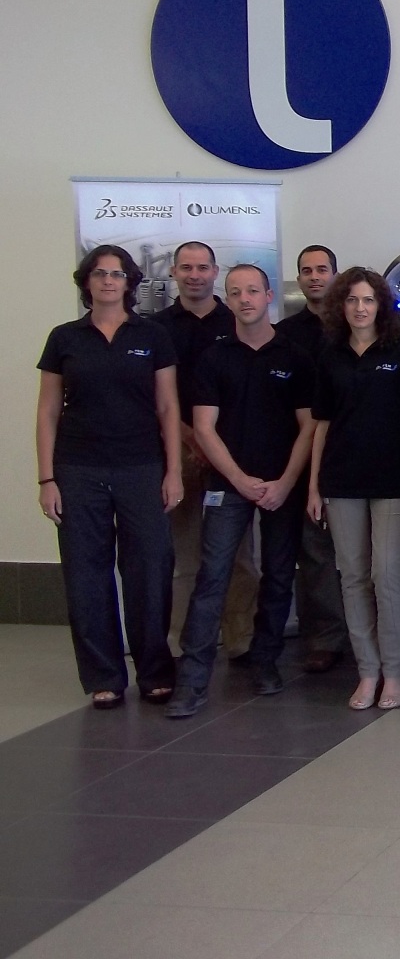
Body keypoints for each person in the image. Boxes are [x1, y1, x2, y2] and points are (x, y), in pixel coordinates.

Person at [36, 245, 181, 707]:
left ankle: (155, 671)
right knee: (86, 574)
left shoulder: (152, 335)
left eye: (116, 274)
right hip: (78, 470)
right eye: (99, 273)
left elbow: (168, 407)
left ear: (129, 282)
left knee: (150, 570)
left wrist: (174, 471)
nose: (107, 281)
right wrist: (46, 479)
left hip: (142, 467)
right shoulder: (65, 338)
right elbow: (47, 412)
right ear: (86, 282)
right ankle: (104, 676)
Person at [167, 265, 315, 717]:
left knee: (278, 575)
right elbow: (204, 428)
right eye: (235, 292)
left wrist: (285, 482)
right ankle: (192, 680)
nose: (245, 299)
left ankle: (265, 661)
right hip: (227, 486)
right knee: (213, 577)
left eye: (253, 291)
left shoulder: (294, 356)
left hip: (282, 485)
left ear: (268, 296)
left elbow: (309, 427)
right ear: (227, 299)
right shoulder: (214, 358)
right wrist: (238, 479)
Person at [309, 267, 400, 711]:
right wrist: (313, 486)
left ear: (381, 305)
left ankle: (394, 672)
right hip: (341, 479)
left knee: (387, 574)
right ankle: (367, 671)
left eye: (367, 300)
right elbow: (321, 424)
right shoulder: (330, 353)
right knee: (353, 575)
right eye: (351, 300)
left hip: (394, 478)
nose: (360, 308)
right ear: (340, 306)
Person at [154, 241, 257, 657]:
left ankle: (240, 640)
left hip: (229, 453)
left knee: (239, 556)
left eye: (202, 268)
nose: (194, 275)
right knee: (185, 557)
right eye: (186, 268)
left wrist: (212, 440)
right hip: (176, 452)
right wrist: (189, 436)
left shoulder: (235, 321)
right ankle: (182, 644)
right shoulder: (156, 328)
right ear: (174, 272)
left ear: (216, 272)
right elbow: (154, 396)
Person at [275, 244, 348, 673]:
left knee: (366, 554)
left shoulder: (357, 324)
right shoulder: (285, 334)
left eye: (322, 269)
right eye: (307, 271)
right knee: (316, 552)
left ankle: (371, 634)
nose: (315, 277)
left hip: (358, 451)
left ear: (336, 275)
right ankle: (324, 638)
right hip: (305, 452)